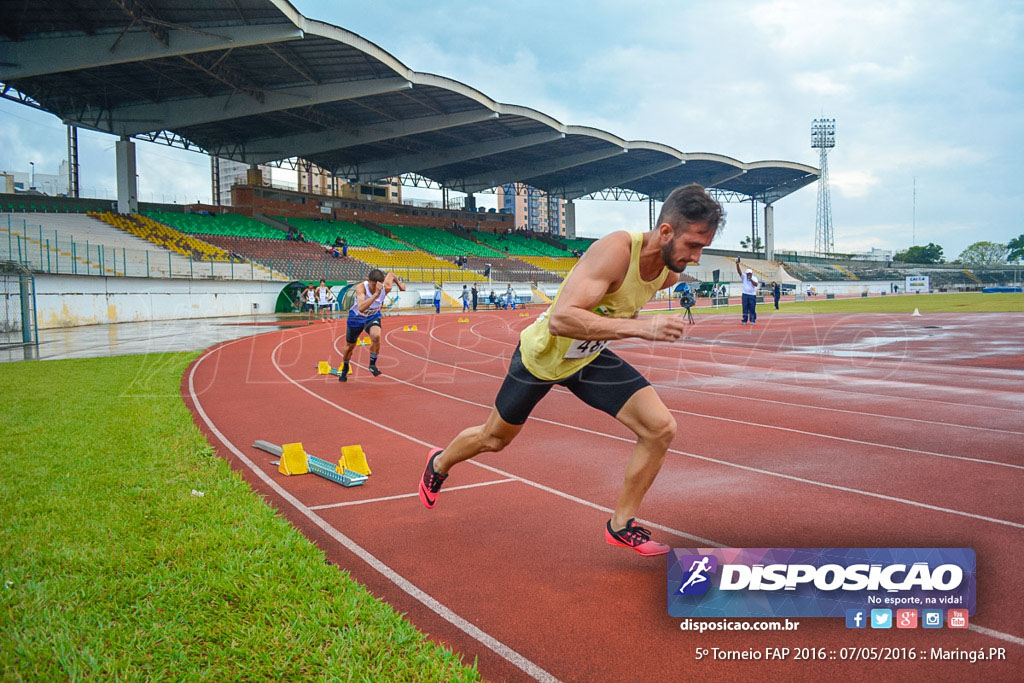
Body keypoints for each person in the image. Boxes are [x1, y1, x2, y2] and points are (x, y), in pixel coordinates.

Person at [417, 183, 724, 556]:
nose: (696, 257)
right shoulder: (615, 250)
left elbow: (619, 304)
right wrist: (642, 327)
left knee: (660, 429)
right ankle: (440, 462)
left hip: (588, 358)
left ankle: (620, 524)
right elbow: (562, 319)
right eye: (693, 245)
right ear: (665, 231)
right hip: (542, 357)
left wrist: (633, 318)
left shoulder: (667, 273)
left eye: (702, 248)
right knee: (494, 439)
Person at [340, 269, 406, 382]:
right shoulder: (361, 288)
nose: (376, 287)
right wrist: (375, 294)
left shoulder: (386, 287)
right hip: (356, 317)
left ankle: (372, 364)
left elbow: (391, 274)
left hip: (372, 317)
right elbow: (361, 307)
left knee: (376, 336)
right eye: (373, 285)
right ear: (368, 280)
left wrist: (400, 286)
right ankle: (345, 366)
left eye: (378, 285)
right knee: (349, 346)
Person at [735, 258, 758, 324]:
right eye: (748, 273)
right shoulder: (744, 277)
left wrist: (750, 279)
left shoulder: (754, 278)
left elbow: (756, 284)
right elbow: (739, 272)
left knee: (752, 308)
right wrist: (737, 264)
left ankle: (752, 320)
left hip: (752, 295)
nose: (748, 275)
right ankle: (744, 320)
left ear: (751, 274)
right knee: (745, 308)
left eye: (750, 274)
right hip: (745, 294)